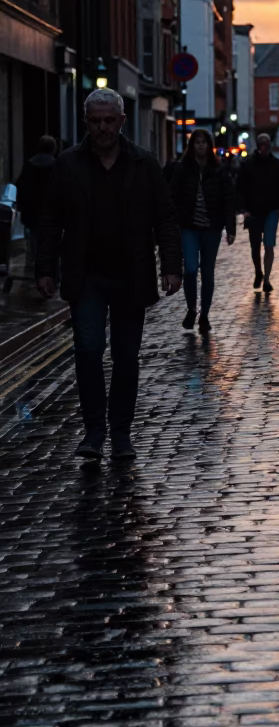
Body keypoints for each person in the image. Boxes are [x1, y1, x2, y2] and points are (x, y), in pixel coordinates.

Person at [35, 88, 182, 462]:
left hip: (131, 274)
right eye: (95, 121)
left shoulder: (143, 163)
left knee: (126, 357)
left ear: (121, 121)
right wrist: (45, 269)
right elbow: (50, 222)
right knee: (87, 351)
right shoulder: (68, 164)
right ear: (86, 122)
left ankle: (120, 434)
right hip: (86, 276)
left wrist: (171, 266)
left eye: (109, 120)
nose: (102, 127)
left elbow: (165, 217)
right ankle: (94, 432)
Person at [170, 128, 236, 334]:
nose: (200, 145)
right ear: (192, 146)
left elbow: (228, 198)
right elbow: (172, 197)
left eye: (203, 142)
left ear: (209, 146)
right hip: (189, 226)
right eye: (197, 142)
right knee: (190, 268)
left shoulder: (218, 170)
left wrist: (230, 227)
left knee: (207, 272)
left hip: (212, 228)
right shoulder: (182, 169)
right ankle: (192, 308)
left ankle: (204, 316)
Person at [236, 132, 279, 293]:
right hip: (253, 211)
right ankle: (259, 272)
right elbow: (241, 188)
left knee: (268, 244)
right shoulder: (248, 165)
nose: (264, 148)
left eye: (267, 145)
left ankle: (266, 278)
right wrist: (243, 209)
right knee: (255, 246)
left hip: (272, 209)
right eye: (262, 144)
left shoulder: (276, 164)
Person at [15, 135, 56, 270]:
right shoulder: (56, 165)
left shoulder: (30, 164)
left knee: (34, 235)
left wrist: (21, 205)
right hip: (50, 209)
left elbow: (21, 185)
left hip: (31, 209)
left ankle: (34, 260)